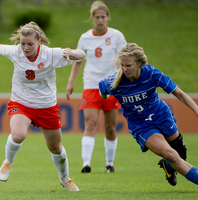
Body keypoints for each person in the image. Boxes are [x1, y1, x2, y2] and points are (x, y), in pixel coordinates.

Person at [0, 21, 86, 191]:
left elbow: (82, 54)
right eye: (23, 43)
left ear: (38, 42)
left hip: (46, 106)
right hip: (21, 102)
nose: (25, 47)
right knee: (18, 135)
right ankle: (8, 162)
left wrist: (72, 53)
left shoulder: (50, 54)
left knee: (55, 147)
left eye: (30, 44)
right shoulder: (15, 51)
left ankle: (64, 178)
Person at [99, 43, 198, 193]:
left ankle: (167, 166)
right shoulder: (111, 82)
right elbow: (103, 92)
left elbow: (179, 93)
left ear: (139, 63)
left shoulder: (152, 74)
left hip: (161, 115)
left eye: (128, 65)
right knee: (171, 155)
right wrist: (107, 98)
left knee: (180, 155)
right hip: (141, 125)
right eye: (122, 65)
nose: (124, 69)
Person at [66, 0, 127, 173]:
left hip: (111, 85)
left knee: (110, 127)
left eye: (103, 17)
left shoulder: (116, 36)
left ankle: (109, 163)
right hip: (91, 85)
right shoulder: (85, 37)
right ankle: (86, 163)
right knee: (90, 123)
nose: (100, 20)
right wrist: (71, 81)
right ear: (92, 18)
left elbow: (125, 58)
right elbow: (78, 61)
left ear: (108, 17)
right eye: (97, 17)